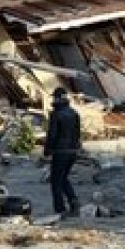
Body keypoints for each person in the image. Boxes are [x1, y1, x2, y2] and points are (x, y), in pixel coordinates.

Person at [44, 87, 81, 216]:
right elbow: (77, 134)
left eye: (54, 97)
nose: (53, 99)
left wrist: (47, 150)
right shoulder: (74, 113)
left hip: (60, 151)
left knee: (56, 181)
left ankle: (60, 209)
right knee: (64, 178)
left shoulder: (56, 114)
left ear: (58, 98)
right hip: (72, 151)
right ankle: (73, 200)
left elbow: (52, 134)